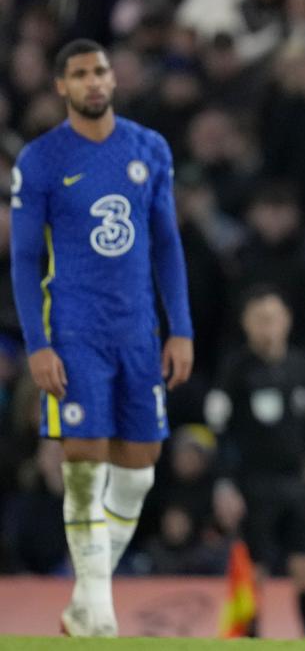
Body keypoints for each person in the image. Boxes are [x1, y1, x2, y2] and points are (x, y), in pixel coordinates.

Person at [10, 38, 193, 637]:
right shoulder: (40, 160)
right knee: (84, 465)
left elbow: (166, 244)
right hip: (74, 334)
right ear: (61, 86)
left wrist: (180, 329)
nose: (94, 82)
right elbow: (25, 259)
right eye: (81, 74)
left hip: (139, 334)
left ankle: (86, 600)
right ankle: (98, 614)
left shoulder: (149, 149)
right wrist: (37, 344)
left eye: (101, 71)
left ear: (114, 79)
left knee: (139, 471)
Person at [204, 286, 305, 637]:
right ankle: (251, 639)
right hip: (252, 484)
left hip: (296, 482)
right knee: (253, 570)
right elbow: (221, 432)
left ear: (286, 321)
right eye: (259, 320)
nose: (267, 327)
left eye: (273, 318)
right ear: (246, 324)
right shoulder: (234, 370)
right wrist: (225, 484)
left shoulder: (303, 366)